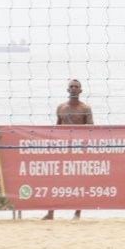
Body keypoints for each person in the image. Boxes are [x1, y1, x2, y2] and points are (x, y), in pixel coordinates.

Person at [43, 79, 93, 220]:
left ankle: (77, 213)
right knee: (55, 180)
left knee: (79, 181)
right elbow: (57, 127)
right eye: (71, 86)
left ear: (80, 91)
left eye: (76, 87)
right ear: (67, 90)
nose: (73, 89)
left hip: (79, 149)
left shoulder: (85, 108)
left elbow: (91, 129)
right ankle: (50, 212)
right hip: (63, 148)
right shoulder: (61, 108)